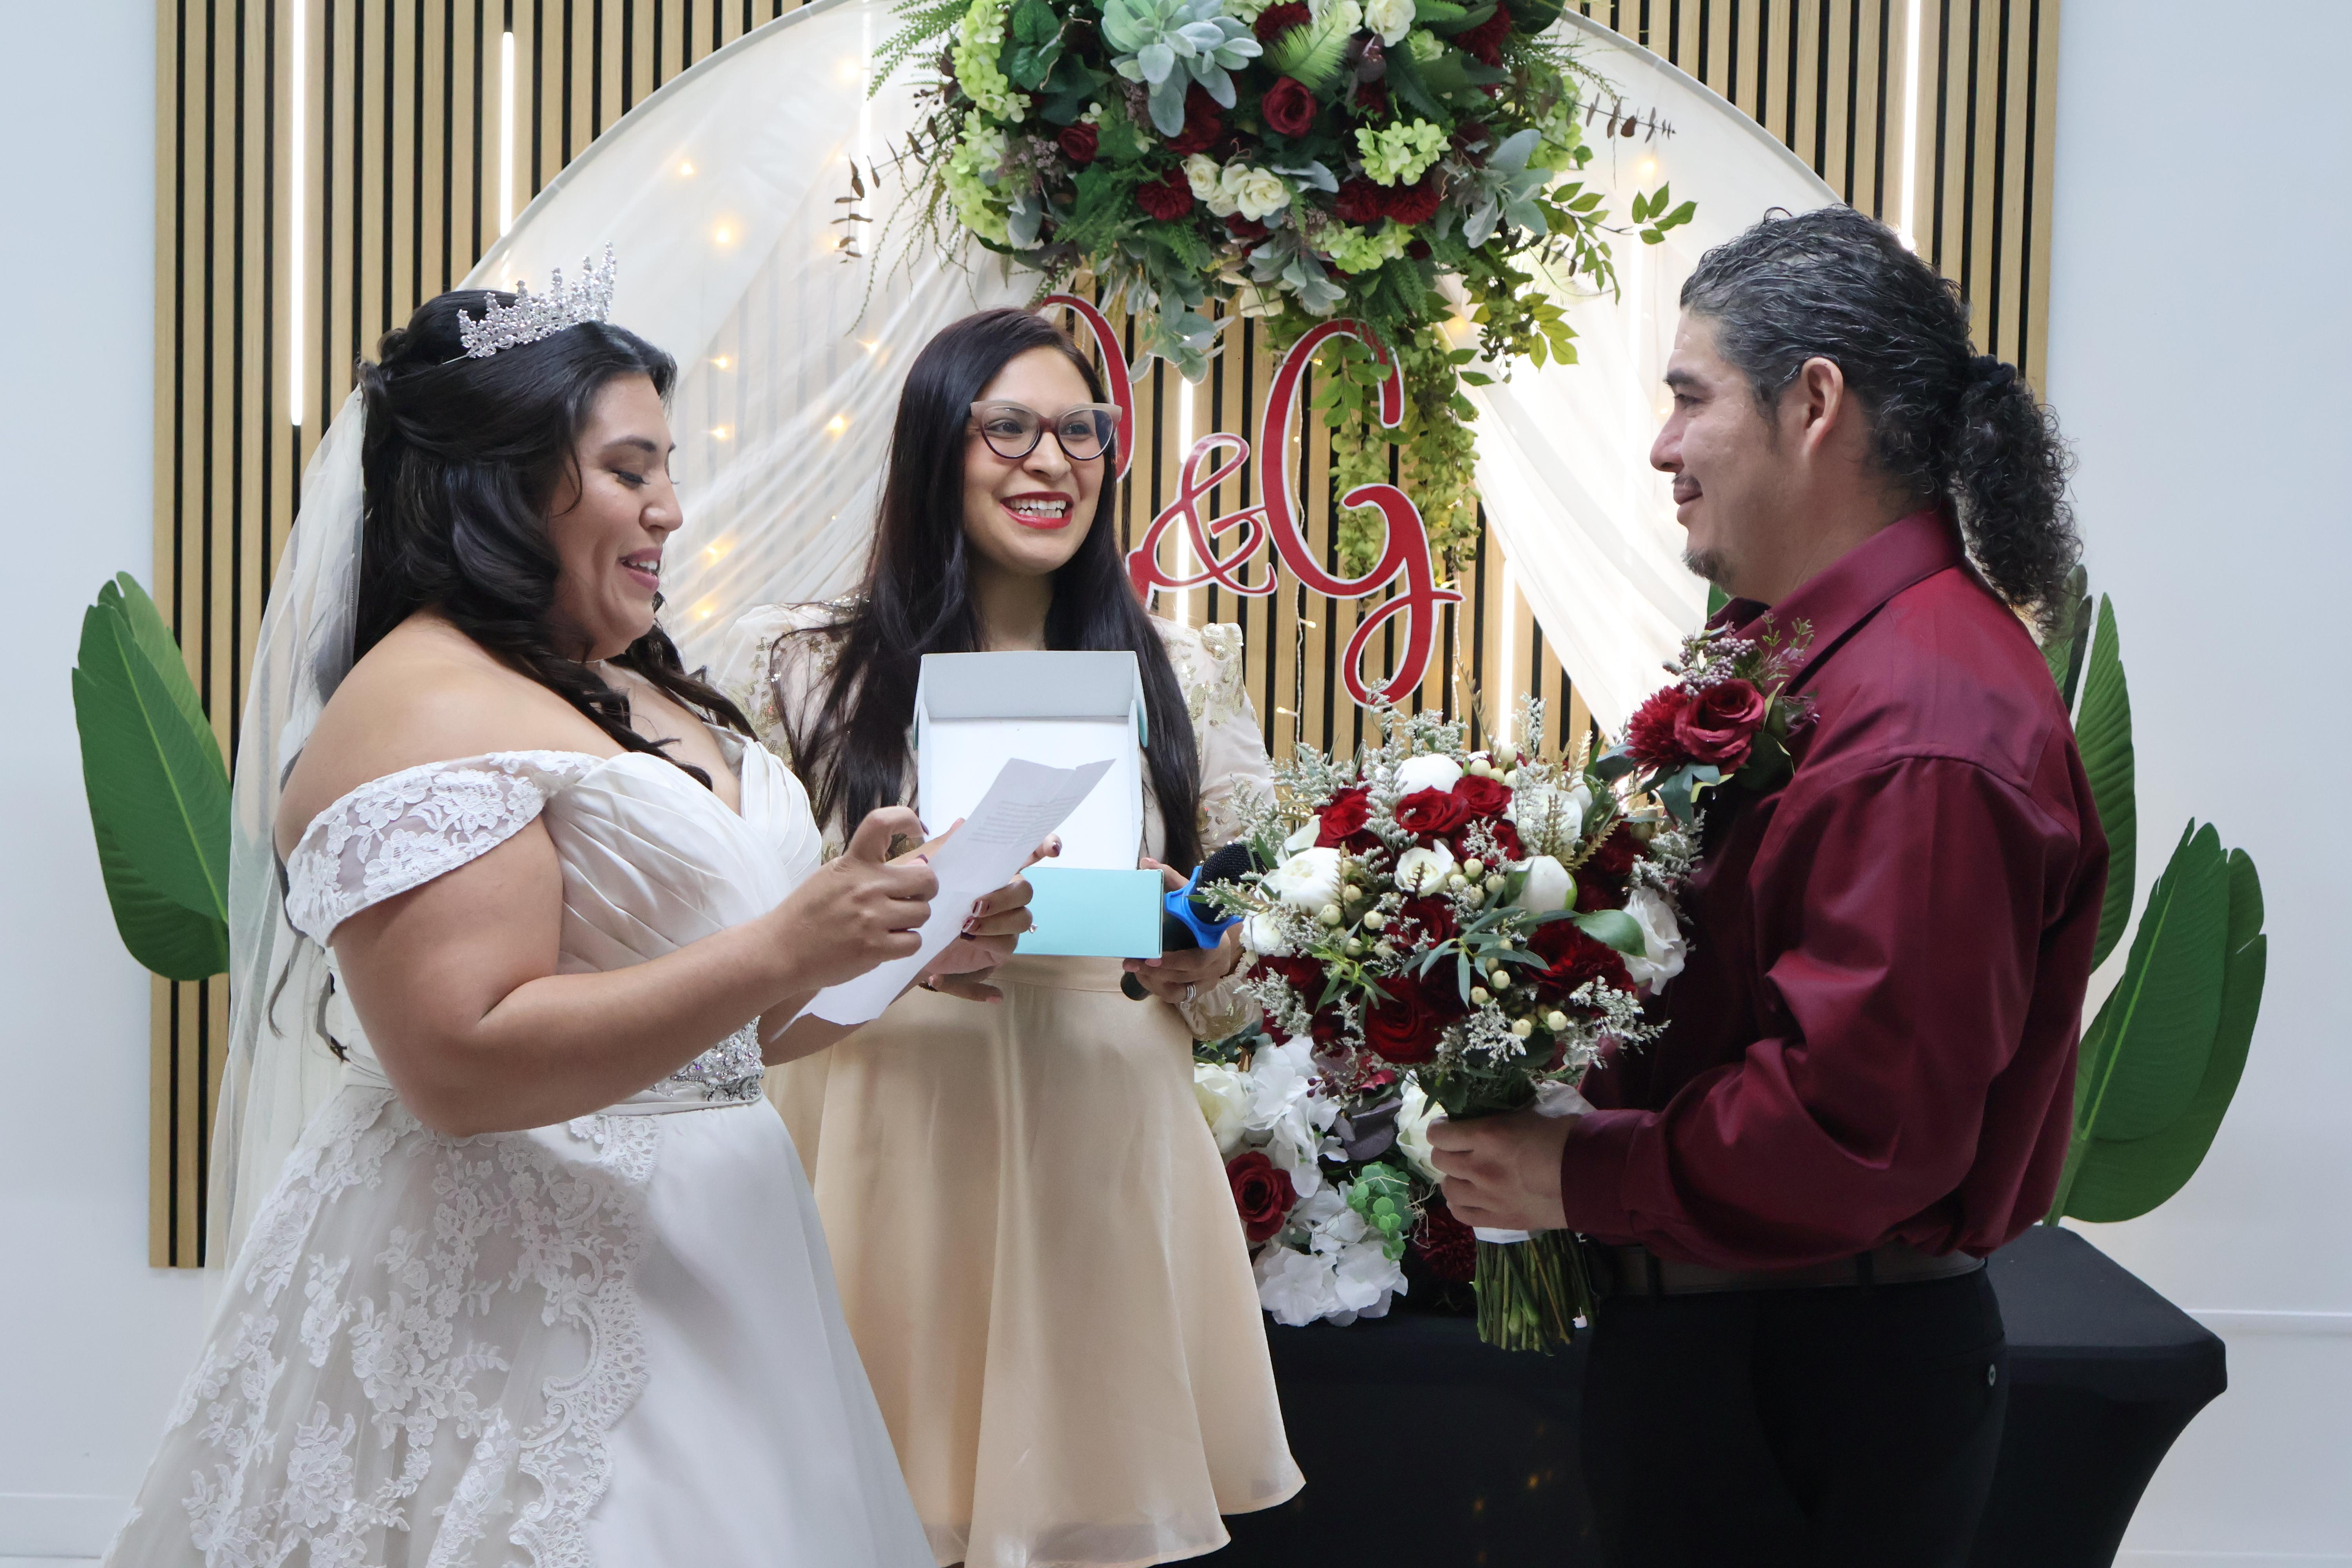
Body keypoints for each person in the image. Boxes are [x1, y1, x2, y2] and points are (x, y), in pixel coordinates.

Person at [107, 272, 1036, 1567]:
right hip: (527, 1315)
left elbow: (721, 1040)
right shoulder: (425, 706)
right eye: (627, 470)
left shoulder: (625, 680)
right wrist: (788, 942)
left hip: (725, 1270)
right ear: (499, 484)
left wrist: (895, 943)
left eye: (667, 468)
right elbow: (462, 1064)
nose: (670, 508)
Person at [1431, 205, 2106, 1566]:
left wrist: (1579, 1171)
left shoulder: (1923, 721)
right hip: (1751, 1350)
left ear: (1814, 404)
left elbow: (1855, 1127)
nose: (1662, 447)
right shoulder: (1816, 657)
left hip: (1809, 1373)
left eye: (1691, 398)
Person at [720, 307, 1301, 1568]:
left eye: (1081, 431)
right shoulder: (800, 667)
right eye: (1010, 429)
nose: (1052, 461)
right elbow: (736, 938)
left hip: (1100, 1147)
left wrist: (1204, 950)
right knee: (867, 1518)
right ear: (939, 446)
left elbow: (1262, 942)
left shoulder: (1187, 669)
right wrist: (884, 933)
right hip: (883, 1144)